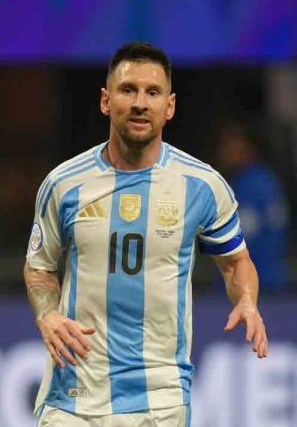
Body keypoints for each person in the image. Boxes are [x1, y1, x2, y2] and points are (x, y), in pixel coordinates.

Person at [24, 42, 268, 427]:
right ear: (106, 101)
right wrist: (47, 316)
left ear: (169, 106)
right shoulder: (63, 184)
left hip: (159, 397)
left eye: (152, 92)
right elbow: (39, 267)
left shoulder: (202, 186)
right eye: (128, 90)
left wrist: (248, 300)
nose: (140, 103)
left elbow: (236, 262)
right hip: (74, 395)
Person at [214, 120, 291, 294]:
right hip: (268, 281)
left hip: (259, 285)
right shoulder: (261, 179)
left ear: (247, 148)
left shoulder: (254, 183)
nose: (225, 152)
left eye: (230, 146)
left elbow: (245, 238)